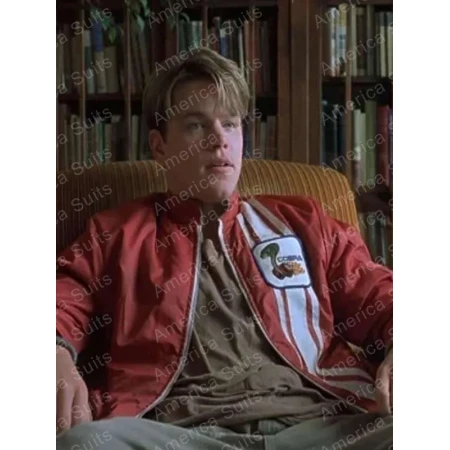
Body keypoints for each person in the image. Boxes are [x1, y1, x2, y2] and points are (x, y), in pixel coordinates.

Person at [56, 48, 393, 450]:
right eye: (196, 125)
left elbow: (379, 295)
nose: (220, 140)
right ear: (159, 146)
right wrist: (54, 352)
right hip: (181, 435)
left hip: (319, 427)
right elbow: (62, 299)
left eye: (230, 124)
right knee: (84, 443)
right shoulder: (116, 233)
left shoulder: (304, 222)